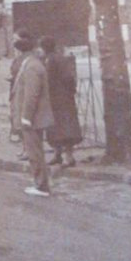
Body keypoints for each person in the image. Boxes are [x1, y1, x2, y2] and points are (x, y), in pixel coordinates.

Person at [10, 31, 54, 197]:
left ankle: (41, 185)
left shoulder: (32, 66)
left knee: (34, 153)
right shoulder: (30, 64)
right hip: (32, 118)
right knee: (35, 152)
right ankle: (40, 183)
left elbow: (31, 94)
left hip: (32, 118)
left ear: (21, 52)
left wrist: (26, 117)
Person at [41, 36, 81, 167]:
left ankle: (67, 157)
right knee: (59, 127)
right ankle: (59, 154)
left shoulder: (51, 60)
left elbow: (54, 79)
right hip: (61, 97)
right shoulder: (58, 58)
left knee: (62, 128)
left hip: (58, 98)